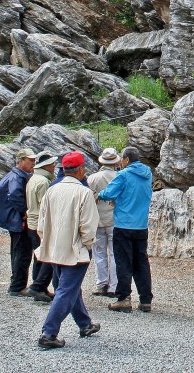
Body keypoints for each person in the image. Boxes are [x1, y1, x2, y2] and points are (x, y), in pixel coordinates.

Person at [35, 151, 101, 349]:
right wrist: (87, 245)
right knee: (67, 289)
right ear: (80, 170)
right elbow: (88, 226)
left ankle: (85, 324)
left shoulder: (51, 190)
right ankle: (49, 333)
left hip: (54, 248)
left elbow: (41, 223)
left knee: (68, 287)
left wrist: (46, 241)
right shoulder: (84, 193)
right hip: (75, 249)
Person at [96, 146, 153, 313]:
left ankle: (123, 298)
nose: (121, 161)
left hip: (123, 225)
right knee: (141, 262)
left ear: (127, 160)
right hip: (141, 225)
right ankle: (145, 299)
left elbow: (109, 193)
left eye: (122, 158)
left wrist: (99, 195)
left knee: (123, 262)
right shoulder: (147, 174)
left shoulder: (123, 174)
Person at [0, 148, 36, 297]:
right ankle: (17, 287)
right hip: (18, 221)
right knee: (22, 253)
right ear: (21, 160)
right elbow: (14, 195)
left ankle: (17, 284)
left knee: (19, 252)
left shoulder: (16, 175)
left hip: (15, 221)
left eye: (34, 160)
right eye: (30, 160)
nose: (33, 163)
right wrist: (25, 211)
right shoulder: (17, 177)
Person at [85, 147, 121, 297]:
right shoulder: (119, 176)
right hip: (114, 219)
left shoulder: (92, 178)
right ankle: (114, 286)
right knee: (114, 253)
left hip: (97, 219)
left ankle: (101, 283)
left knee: (99, 252)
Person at [25, 151, 57, 303]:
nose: (54, 166)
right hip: (40, 223)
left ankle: (39, 287)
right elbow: (45, 206)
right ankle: (38, 286)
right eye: (52, 164)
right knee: (47, 255)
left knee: (39, 256)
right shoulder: (44, 182)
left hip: (32, 221)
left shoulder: (33, 178)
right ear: (46, 166)